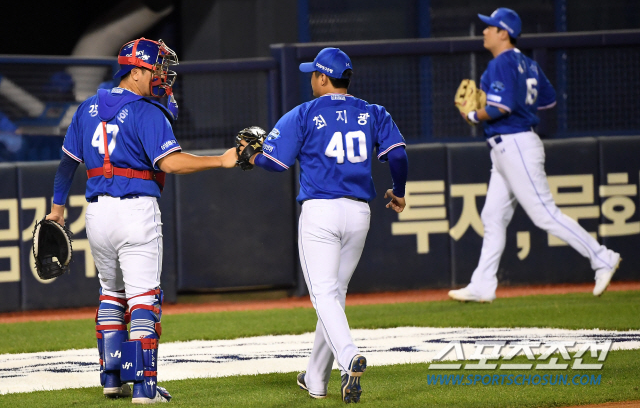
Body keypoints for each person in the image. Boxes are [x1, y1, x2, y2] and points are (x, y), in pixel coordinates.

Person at [45, 37, 237, 404]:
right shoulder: (147, 111)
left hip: (97, 215)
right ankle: (145, 388)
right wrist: (220, 160)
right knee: (144, 300)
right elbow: (171, 163)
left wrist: (57, 210)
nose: (162, 76)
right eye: (156, 69)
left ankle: (112, 378)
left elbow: (66, 165)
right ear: (134, 73)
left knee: (111, 293)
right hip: (136, 212)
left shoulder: (87, 108)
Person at [239, 47, 408, 403]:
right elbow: (397, 154)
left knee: (324, 295)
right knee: (335, 295)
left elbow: (276, 163)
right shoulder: (372, 112)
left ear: (322, 77)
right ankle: (316, 379)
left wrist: (252, 156)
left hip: (321, 213)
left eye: (313, 75)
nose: (311, 80)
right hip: (359, 214)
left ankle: (349, 357)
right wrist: (400, 191)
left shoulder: (305, 113)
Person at [448, 8, 621, 303]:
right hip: (509, 146)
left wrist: (474, 115)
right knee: (492, 216)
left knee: (544, 214)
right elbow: (548, 100)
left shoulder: (501, 63)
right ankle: (482, 285)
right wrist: (519, 108)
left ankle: (602, 257)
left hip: (515, 144)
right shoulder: (528, 63)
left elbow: (501, 108)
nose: (485, 31)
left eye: (490, 27)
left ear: (504, 33)